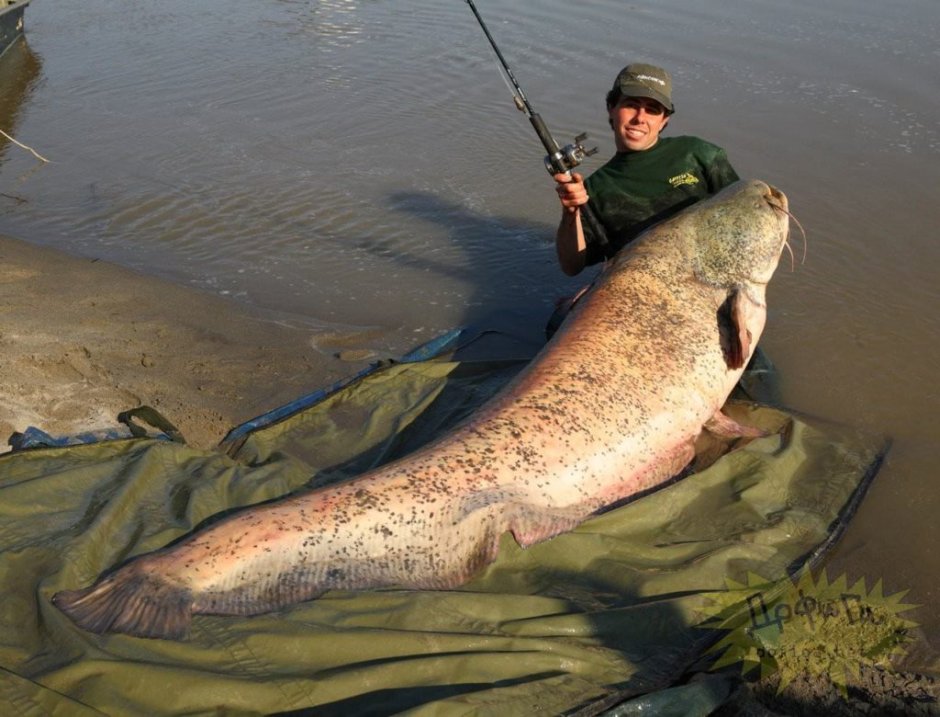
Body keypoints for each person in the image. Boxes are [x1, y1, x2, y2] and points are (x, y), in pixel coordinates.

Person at [553, 63, 740, 277]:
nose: (640, 118)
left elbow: (745, 217)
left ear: (664, 121)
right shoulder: (593, 189)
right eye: (631, 105)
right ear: (611, 108)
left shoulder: (699, 154)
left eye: (652, 110)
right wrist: (570, 213)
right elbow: (571, 266)